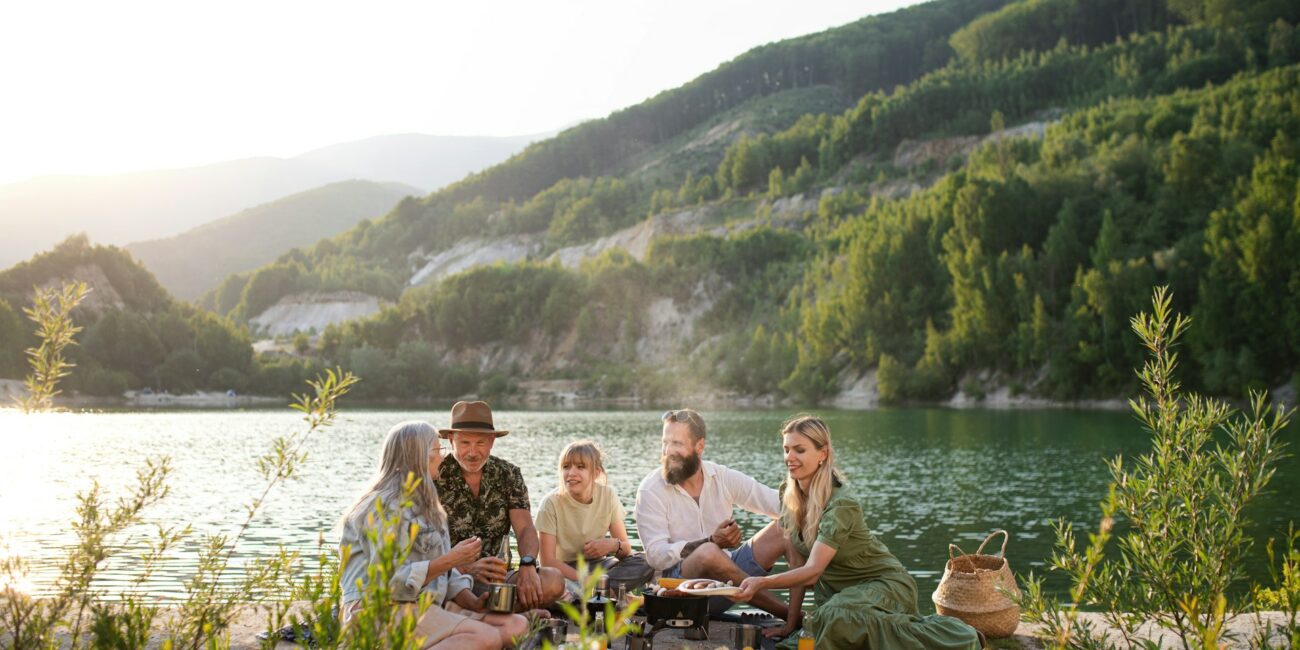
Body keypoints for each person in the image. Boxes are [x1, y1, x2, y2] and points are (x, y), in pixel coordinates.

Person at [730, 415, 982, 650]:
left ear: (823, 454)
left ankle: (960, 636)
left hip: (885, 586)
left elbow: (812, 571)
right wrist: (790, 622)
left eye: (799, 450)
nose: (790, 457)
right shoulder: (790, 494)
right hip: (840, 596)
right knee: (819, 625)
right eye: (786, 449)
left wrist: (762, 582)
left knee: (834, 617)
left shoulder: (841, 504)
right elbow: (796, 561)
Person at [339, 420, 528, 649]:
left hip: (424, 604)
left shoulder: (427, 503)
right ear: (419, 456)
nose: (442, 457)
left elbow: (443, 575)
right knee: (487, 638)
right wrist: (453, 560)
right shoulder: (385, 506)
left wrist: (473, 602)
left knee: (515, 625)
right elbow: (387, 583)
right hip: (379, 610)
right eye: (437, 450)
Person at [634, 408, 788, 617]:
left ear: (700, 446)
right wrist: (711, 541)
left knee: (786, 526)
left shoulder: (721, 476)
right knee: (709, 553)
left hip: (726, 587)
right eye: (665, 443)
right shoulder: (651, 489)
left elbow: (778, 504)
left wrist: (821, 497)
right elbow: (655, 556)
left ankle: (809, 605)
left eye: (677, 444)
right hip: (678, 592)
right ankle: (792, 617)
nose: (668, 450)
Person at [434, 401, 566, 611]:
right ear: (451, 440)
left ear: (492, 441)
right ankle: (500, 614)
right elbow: (422, 550)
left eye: (480, 443)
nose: (473, 452)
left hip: (499, 579)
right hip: (450, 578)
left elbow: (524, 528)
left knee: (554, 580)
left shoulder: (508, 474)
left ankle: (486, 612)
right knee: (434, 594)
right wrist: (464, 568)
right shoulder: (433, 475)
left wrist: (528, 563)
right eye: (465, 442)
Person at [536, 440, 635, 600]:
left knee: (643, 562)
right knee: (550, 584)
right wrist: (582, 578)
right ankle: (606, 594)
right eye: (566, 466)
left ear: (596, 473)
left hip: (598, 566)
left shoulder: (608, 496)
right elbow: (547, 561)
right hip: (563, 571)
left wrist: (612, 545)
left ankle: (594, 594)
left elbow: (626, 550)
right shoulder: (550, 503)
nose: (571, 473)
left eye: (580, 467)